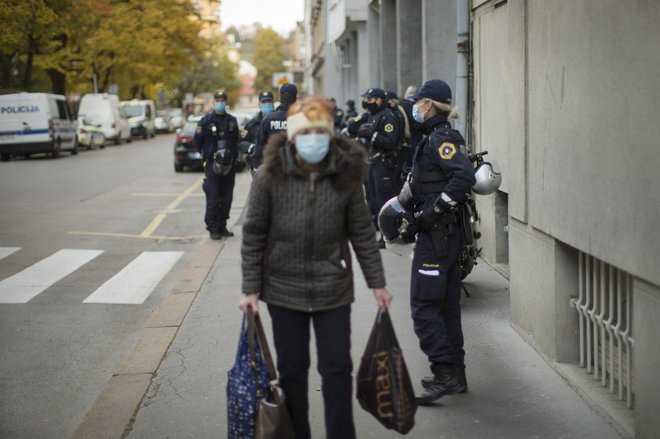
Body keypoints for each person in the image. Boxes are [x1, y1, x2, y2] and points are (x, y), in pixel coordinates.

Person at [239, 96, 392, 439]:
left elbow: (362, 233)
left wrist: (377, 283)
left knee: (337, 369)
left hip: (332, 287)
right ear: (293, 136)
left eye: (319, 131)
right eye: (305, 131)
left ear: (330, 133)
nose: (313, 138)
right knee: (292, 373)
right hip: (282, 288)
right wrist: (250, 289)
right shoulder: (268, 177)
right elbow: (253, 234)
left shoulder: (347, 175)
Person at [404, 79, 476, 405]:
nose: (415, 107)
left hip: (438, 237)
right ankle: (456, 375)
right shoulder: (435, 137)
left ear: (429, 105)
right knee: (446, 307)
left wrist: (434, 211)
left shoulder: (441, 139)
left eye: (418, 102)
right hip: (442, 235)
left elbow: (463, 176)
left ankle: (444, 372)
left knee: (423, 305)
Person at [354, 87, 403, 247]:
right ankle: (378, 230)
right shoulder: (372, 116)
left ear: (379, 100)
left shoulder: (388, 117)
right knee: (373, 200)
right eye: (366, 99)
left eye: (369, 99)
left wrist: (373, 135)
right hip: (372, 162)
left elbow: (390, 142)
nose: (366, 102)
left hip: (384, 163)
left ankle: (389, 235)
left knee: (384, 200)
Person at [194, 88, 239, 239]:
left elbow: (236, 142)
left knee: (226, 197)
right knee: (213, 197)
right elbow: (197, 142)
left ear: (226, 103)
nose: (220, 103)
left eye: (223, 101)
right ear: (213, 103)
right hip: (212, 165)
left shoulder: (232, 121)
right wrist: (206, 155)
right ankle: (213, 228)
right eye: (217, 101)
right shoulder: (206, 121)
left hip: (229, 166)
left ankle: (223, 226)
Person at [252, 83, 297, 168]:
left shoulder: (268, 119)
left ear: (280, 99)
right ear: (295, 99)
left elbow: (259, 147)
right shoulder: (303, 118)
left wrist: (257, 167)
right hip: (297, 168)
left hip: (274, 168)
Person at [238, 91, 274, 172]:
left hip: (276, 164)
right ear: (259, 104)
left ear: (273, 103)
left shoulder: (279, 120)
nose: (267, 104)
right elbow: (241, 142)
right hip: (258, 165)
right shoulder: (251, 124)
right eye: (264, 102)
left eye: (269, 101)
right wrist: (253, 147)